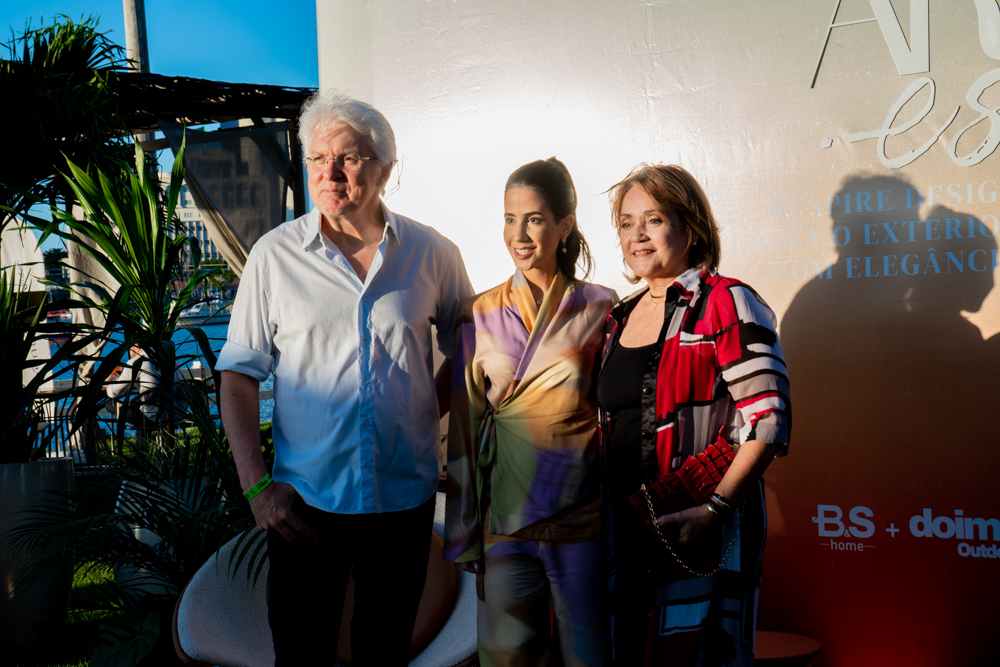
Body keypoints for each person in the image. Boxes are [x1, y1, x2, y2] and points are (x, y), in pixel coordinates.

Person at [215, 91, 474, 667]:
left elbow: (471, 353)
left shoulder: (433, 254)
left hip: (403, 500)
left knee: (384, 654)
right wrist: (258, 489)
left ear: (385, 168)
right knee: (302, 656)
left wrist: (428, 421)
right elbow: (237, 377)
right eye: (316, 159)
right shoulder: (273, 256)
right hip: (303, 507)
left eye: (349, 158)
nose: (329, 173)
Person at [597, 164, 790, 666]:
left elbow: (769, 422)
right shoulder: (617, 317)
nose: (637, 234)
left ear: (692, 227)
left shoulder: (727, 301)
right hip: (623, 531)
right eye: (625, 222)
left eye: (654, 219)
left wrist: (716, 511)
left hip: (697, 525)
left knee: (695, 654)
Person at [444, 158, 616, 667]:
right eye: (509, 218)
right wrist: (465, 536)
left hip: (580, 521)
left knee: (590, 660)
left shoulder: (600, 308)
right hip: (504, 529)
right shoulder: (478, 313)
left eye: (535, 219)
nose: (519, 234)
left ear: (564, 226)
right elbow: (463, 432)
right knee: (507, 661)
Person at [104, 344, 159, 429]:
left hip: (153, 416)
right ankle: (142, 442)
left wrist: (108, 386)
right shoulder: (162, 356)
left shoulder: (136, 362)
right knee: (139, 406)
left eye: (128, 349)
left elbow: (115, 392)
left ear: (137, 347)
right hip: (174, 414)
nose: (127, 353)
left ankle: (139, 441)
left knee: (109, 404)